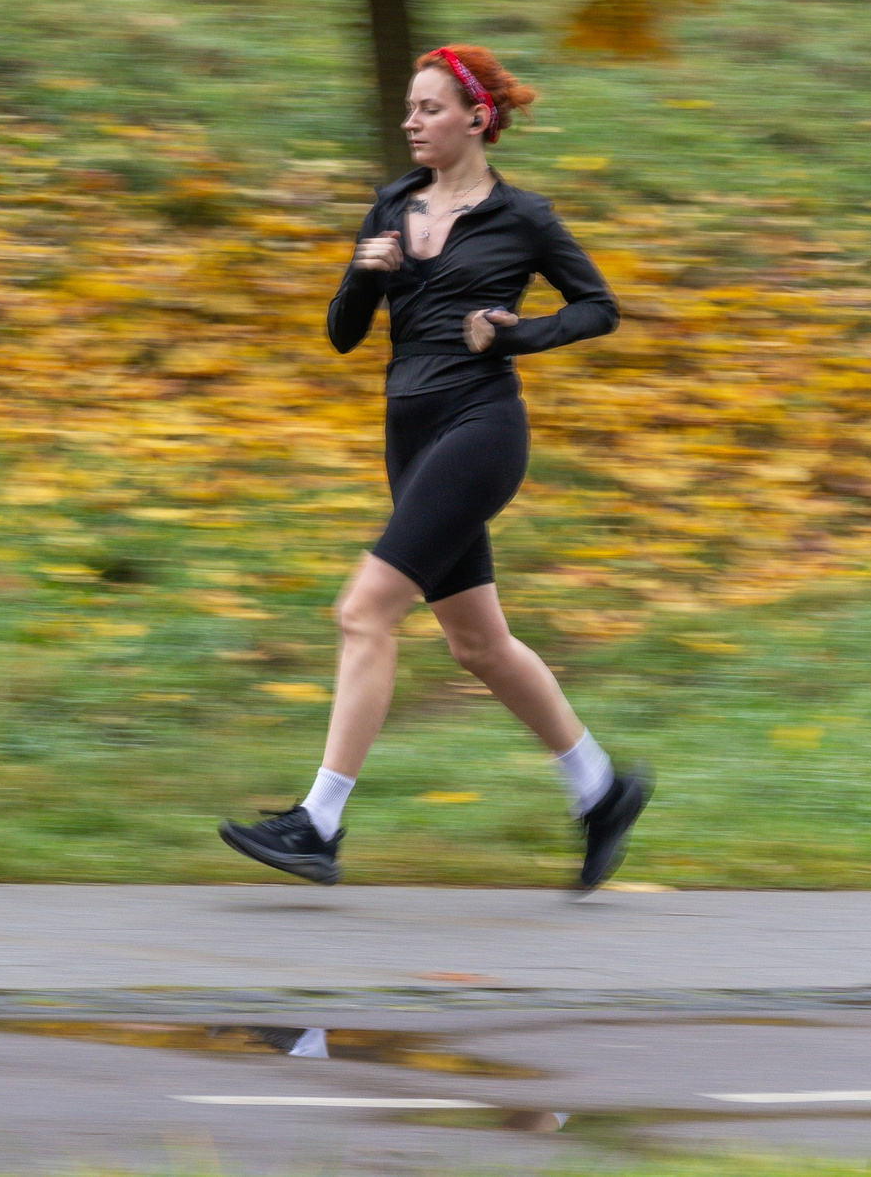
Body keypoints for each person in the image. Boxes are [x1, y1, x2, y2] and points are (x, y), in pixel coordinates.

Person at [219, 44, 651, 892]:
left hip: (480, 427)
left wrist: (518, 332)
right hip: (408, 434)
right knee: (478, 644)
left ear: (476, 118)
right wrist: (360, 274)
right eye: (410, 109)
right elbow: (344, 334)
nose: (411, 123)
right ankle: (600, 790)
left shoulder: (523, 217)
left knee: (362, 612)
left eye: (429, 109)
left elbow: (599, 307)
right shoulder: (391, 205)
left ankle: (320, 822)